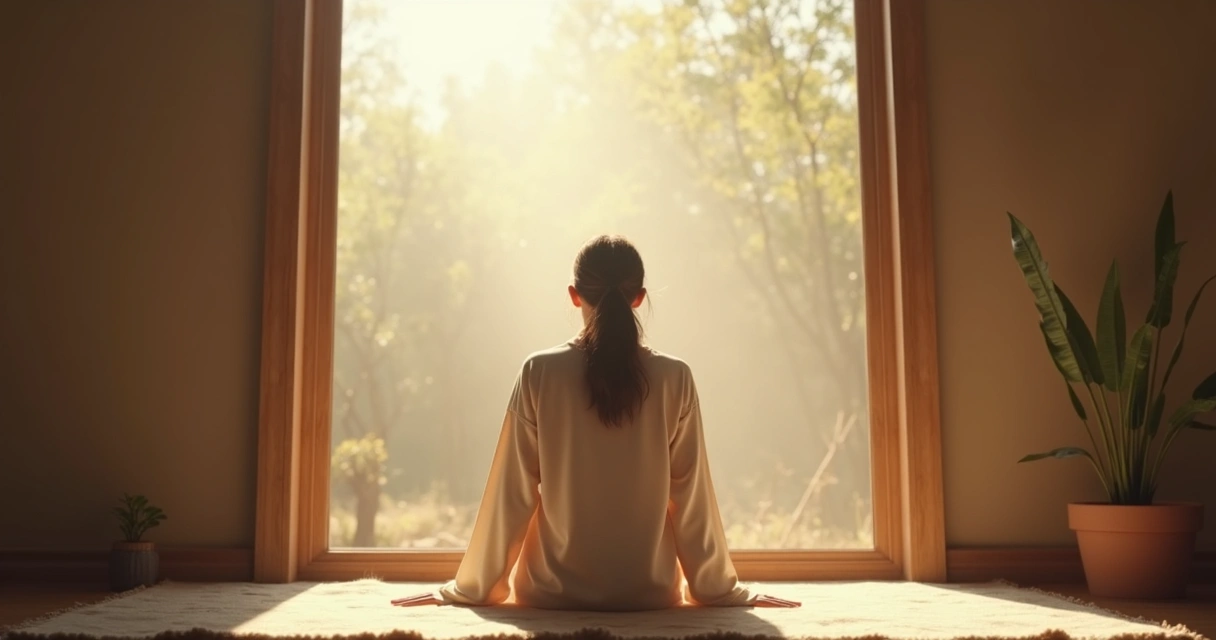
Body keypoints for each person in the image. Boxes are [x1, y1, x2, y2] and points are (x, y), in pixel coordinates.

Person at [392, 235, 799, 611]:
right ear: (639, 298)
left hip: (551, 596)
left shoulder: (539, 372)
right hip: (649, 596)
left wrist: (469, 588)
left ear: (574, 296)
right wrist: (719, 589)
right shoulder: (676, 377)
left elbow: (511, 492)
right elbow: (690, 498)